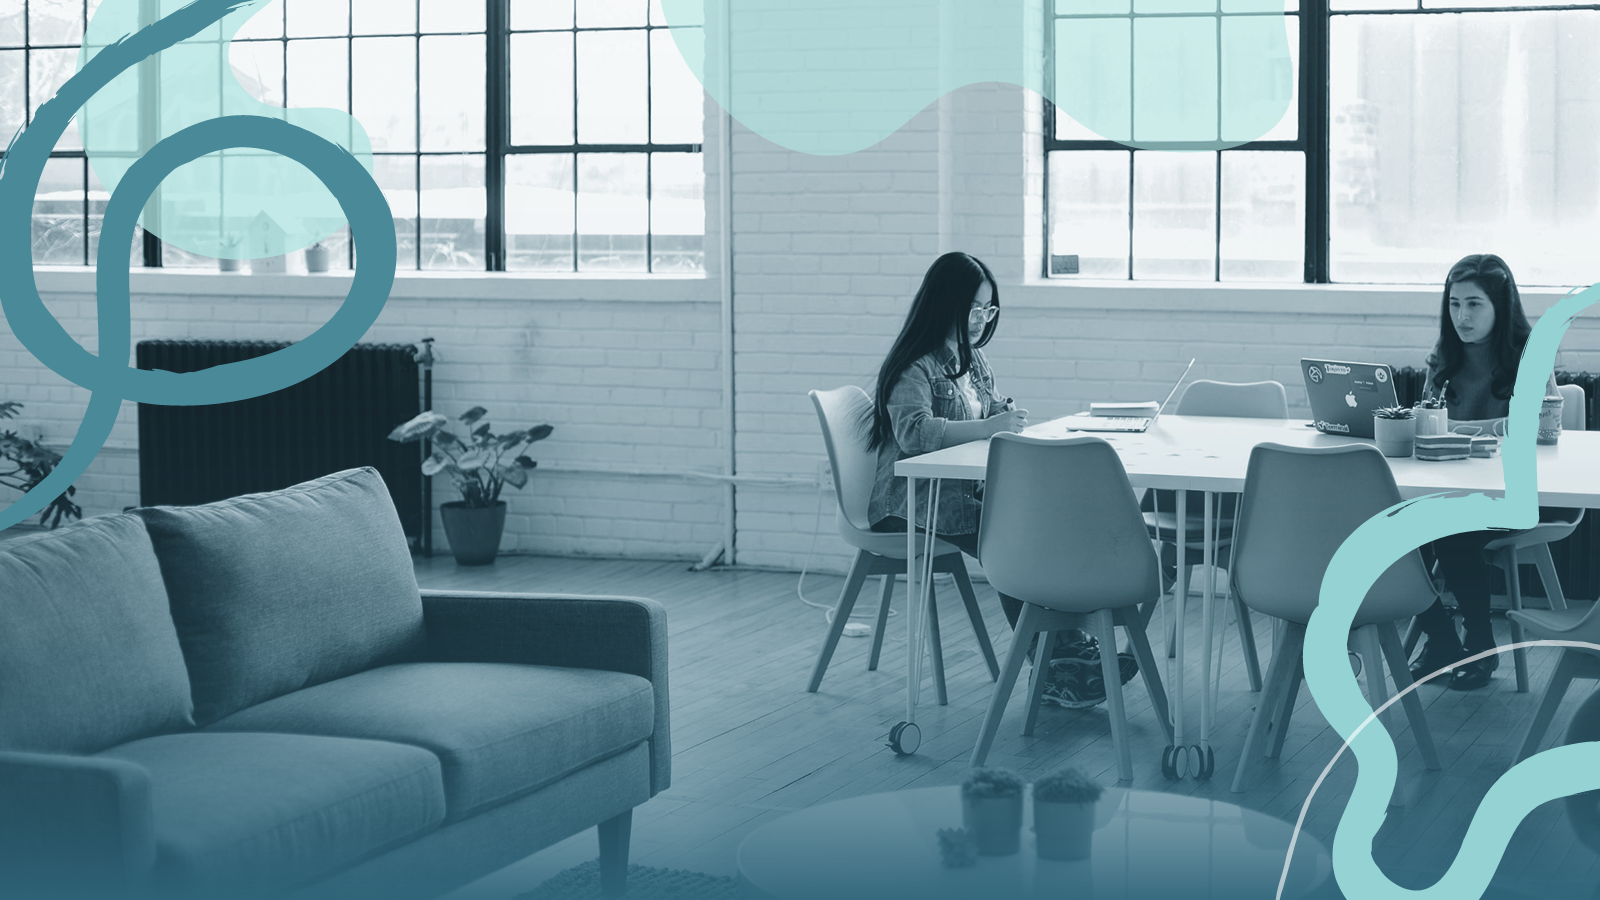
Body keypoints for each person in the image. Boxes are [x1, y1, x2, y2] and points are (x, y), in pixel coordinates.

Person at [859, 251, 1132, 708]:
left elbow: (989, 414)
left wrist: (1001, 416)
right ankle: (1056, 663)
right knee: (1016, 541)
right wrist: (988, 427)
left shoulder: (975, 360)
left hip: (963, 495)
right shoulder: (915, 365)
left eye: (988, 310)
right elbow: (914, 434)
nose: (981, 320)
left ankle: (1066, 656)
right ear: (943, 302)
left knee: (1043, 528)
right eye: (973, 309)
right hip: (911, 505)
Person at [1408, 253, 1562, 691]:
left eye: (1474, 304)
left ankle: (1479, 646)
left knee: (1451, 535)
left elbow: (1538, 427)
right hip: (1449, 486)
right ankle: (1440, 641)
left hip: (1514, 491)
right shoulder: (1443, 355)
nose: (1462, 316)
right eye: (1455, 304)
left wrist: (1457, 429)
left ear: (1501, 306)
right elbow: (1427, 420)